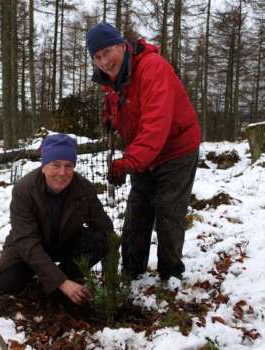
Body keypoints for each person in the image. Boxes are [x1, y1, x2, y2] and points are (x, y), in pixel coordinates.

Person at [86, 22, 201, 281]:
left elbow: (156, 123)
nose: (104, 61)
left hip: (176, 148)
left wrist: (128, 162)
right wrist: (111, 116)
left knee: (168, 209)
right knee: (138, 209)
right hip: (144, 152)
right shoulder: (115, 77)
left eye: (107, 52)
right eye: (97, 57)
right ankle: (131, 270)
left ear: (122, 46)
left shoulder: (152, 68)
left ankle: (170, 273)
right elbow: (124, 103)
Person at [0, 133, 113, 304]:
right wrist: (62, 282)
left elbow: (105, 228)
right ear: (43, 166)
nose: (62, 173)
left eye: (68, 166)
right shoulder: (25, 189)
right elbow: (26, 240)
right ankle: (58, 281)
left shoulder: (84, 189)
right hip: (29, 245)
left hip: (65, 242)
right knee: (7, 283)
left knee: (98, 240)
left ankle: (63, 280)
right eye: (55, 165)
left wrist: (112, 280)